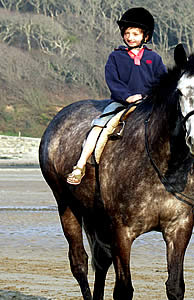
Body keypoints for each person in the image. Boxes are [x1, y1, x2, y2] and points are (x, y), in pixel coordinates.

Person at [66, 7, 167, 185]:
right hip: (122, 103)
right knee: (99, 127)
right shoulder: (115, 57)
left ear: (146, 36)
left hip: (150, 104)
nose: (130, 37)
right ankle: (80, 165)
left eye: (135, 33)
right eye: (127, 33)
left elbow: (163, 82)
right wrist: (128, 97)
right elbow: (112, 81)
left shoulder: (154, 58)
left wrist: (150, 97)